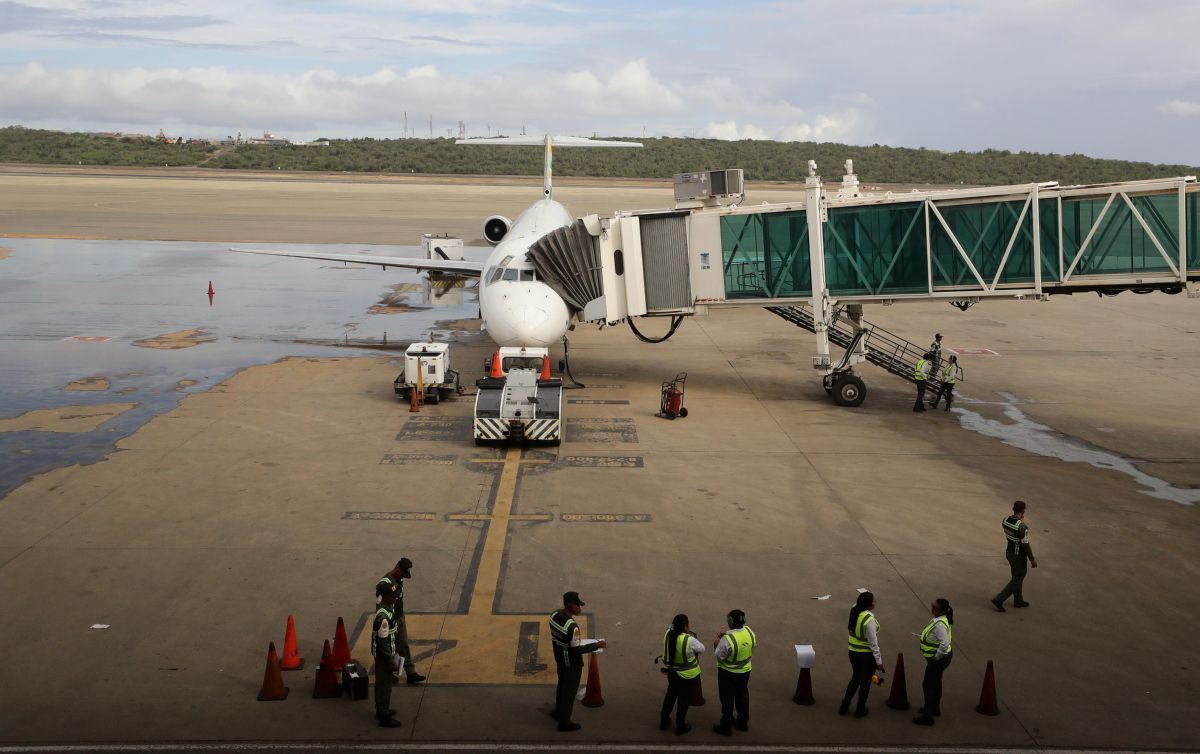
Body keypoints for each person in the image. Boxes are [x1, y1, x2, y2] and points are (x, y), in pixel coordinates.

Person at [548, 591, 606, 732]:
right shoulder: (572, 627)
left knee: (561, 686)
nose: (580, 609)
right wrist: (596, 645)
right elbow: (575, 650)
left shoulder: (554, 616)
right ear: (570, 605)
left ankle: (557, 711)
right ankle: (564, 722)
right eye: (577, 605)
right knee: (569, 692)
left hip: (559, 658)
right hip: (571, 663)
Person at [376, 558, 426, 684]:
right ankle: (388, 672)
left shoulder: (399, 579)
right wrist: (385, 620)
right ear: (398, 569)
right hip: (388, 619)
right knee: (387, 646)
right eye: (403, 574)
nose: (404, 577)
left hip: (399, 617)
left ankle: (410, 673)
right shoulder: (384, 583)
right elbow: (380, 602)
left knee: (403, 644)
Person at [711, 609, 756, 736]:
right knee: (742, 696)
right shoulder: (749, 632)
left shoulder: (727, 639)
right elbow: (753, 645)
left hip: (728, 673)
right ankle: (743, 723)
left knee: (727, 699)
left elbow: (719, 655)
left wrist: (717, 642)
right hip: (745, 671)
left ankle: (726, 726)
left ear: (730, 621)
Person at [840, 592, 884, 718]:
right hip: (865, 655)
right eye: (873, 602)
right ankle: (860, 709)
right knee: (865, 682)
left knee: (855, 678)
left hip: (852, 652)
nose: (875, 603)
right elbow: (873, 643)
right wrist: (879, 662)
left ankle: (844, 706)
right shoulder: (868, 620)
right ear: (869, 605)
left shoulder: (854, 610)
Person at [659, 613, 704, 735]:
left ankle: (664, 721)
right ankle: (680, 726)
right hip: (688, 676)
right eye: (688, 624)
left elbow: (670, 626)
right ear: (685, 627)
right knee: (683, 701)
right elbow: (702, 649)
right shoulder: (688, 640)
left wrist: (675, 625)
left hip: (673, 673)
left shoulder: (668, 633)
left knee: (670, 696)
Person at [912, 598, 954, 726]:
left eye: (934, 607)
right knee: (936, 683)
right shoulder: (940, 619)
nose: (932, 609)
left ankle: (927, 716)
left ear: (941, 611)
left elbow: (944, 643)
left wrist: (936, 657)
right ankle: (934, 708)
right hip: (943, 658)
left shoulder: (940, 624)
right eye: (932, 606)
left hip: (939, 660)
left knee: (928, 685)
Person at [992, 501, 1038, 611]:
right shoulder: (1022, 526)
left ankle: (1018, 600)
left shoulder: (1005, 521)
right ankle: (999, 599)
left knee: (1016, 577)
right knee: (1018, 578)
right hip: (1018, 556)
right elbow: (1025, 544)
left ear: (1013, 509)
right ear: (1023, 511)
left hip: (1009, 552)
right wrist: (1032, 559)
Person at [371, 587, 402, 728]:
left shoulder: (387, 608)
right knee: (384, 686)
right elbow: (383, 642)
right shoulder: (383, 617)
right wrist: (390, 660)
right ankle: (383, 716)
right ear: (386, 597)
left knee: (382, 684)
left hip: (386, 655)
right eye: (393, 596)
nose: (395, 597)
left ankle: (381, 710)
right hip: (384, 658)